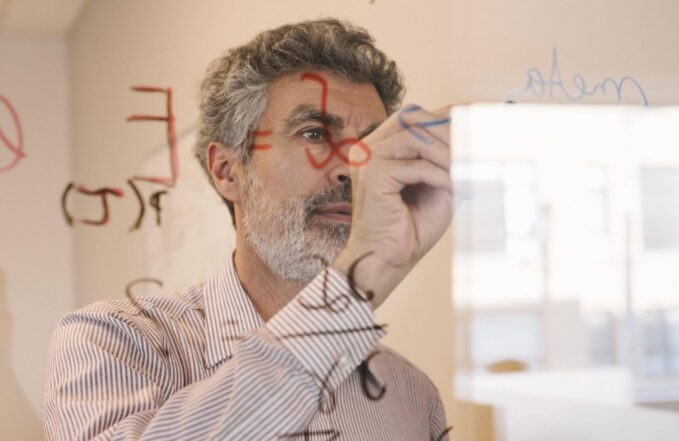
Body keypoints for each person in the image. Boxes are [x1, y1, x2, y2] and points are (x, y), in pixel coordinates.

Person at [43, 18, 453, 440]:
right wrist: (365, 274)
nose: (353, 168)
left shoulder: (412, 394)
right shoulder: (111, 343)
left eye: (369, 144)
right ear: (227, 170)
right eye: (314, 133)